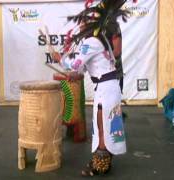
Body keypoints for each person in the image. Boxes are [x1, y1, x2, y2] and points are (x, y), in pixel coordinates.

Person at [51, 0, 129, 176]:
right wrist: (73, 74)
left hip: (106, 89)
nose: (81, 26)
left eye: (84, 23)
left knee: (102, 127)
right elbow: (82, 68)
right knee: (105, 126)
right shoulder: (100, 42)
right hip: (108, 87)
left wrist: (60, 59)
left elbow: (74, 64)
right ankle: (103, 163)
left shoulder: (92, 42)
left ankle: (99, 166)